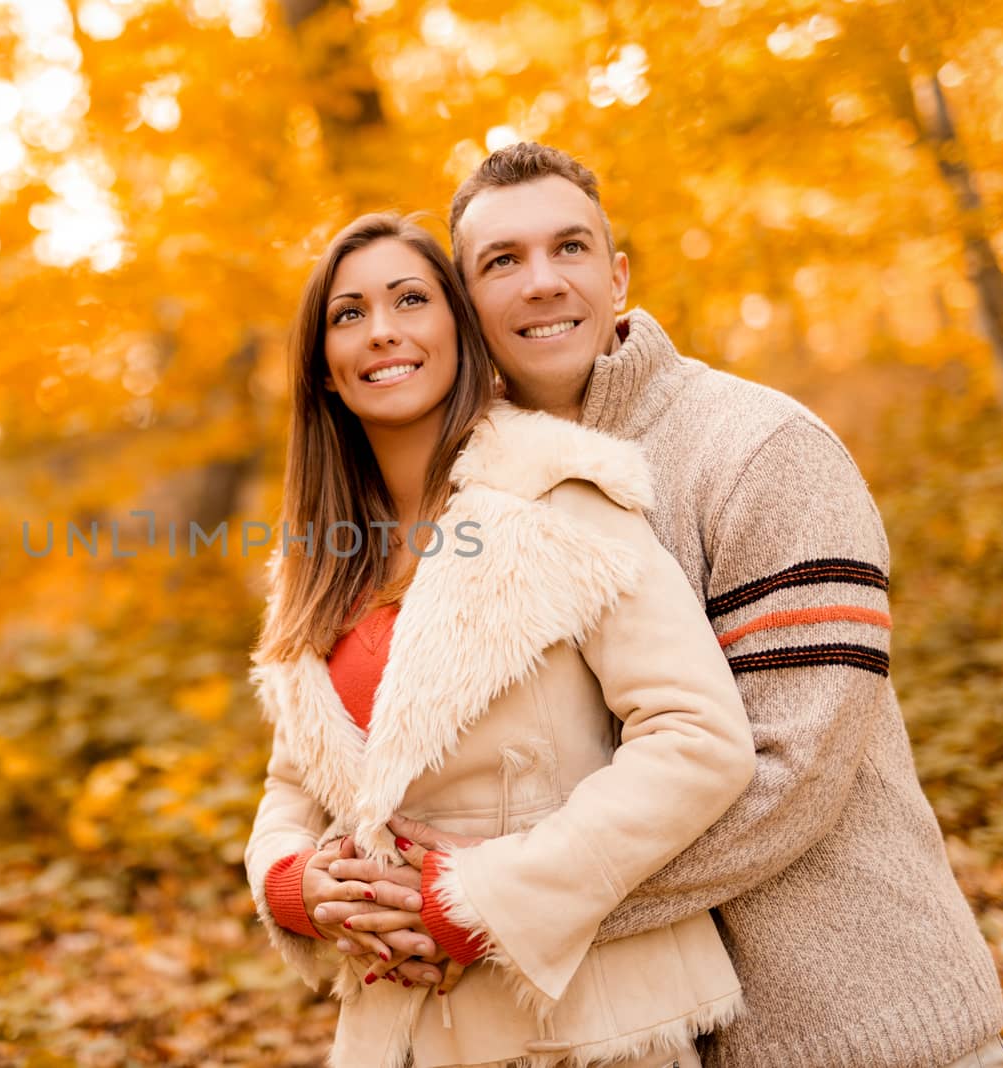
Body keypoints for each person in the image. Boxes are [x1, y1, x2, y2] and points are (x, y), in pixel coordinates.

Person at [340, 143, 1003, 1068]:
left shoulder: (760, 448)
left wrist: (498, 908)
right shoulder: (469, 492)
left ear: (617, 277)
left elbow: (793, 772)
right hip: (631, 1036)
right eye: (501, 262)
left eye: (570, 249)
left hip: (850, 1024)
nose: (541, 283)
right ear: (464, 305)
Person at [243, 212, 757, 1068]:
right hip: (395, 1028)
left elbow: (699, 739)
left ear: (458, 330)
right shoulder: (318, 556)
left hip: (585, 1027)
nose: (382, 332)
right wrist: (296, 885)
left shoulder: (555, 490)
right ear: (324, 371)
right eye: (348, 313)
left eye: (411, 299)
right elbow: (294, 782)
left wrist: (475, 902)